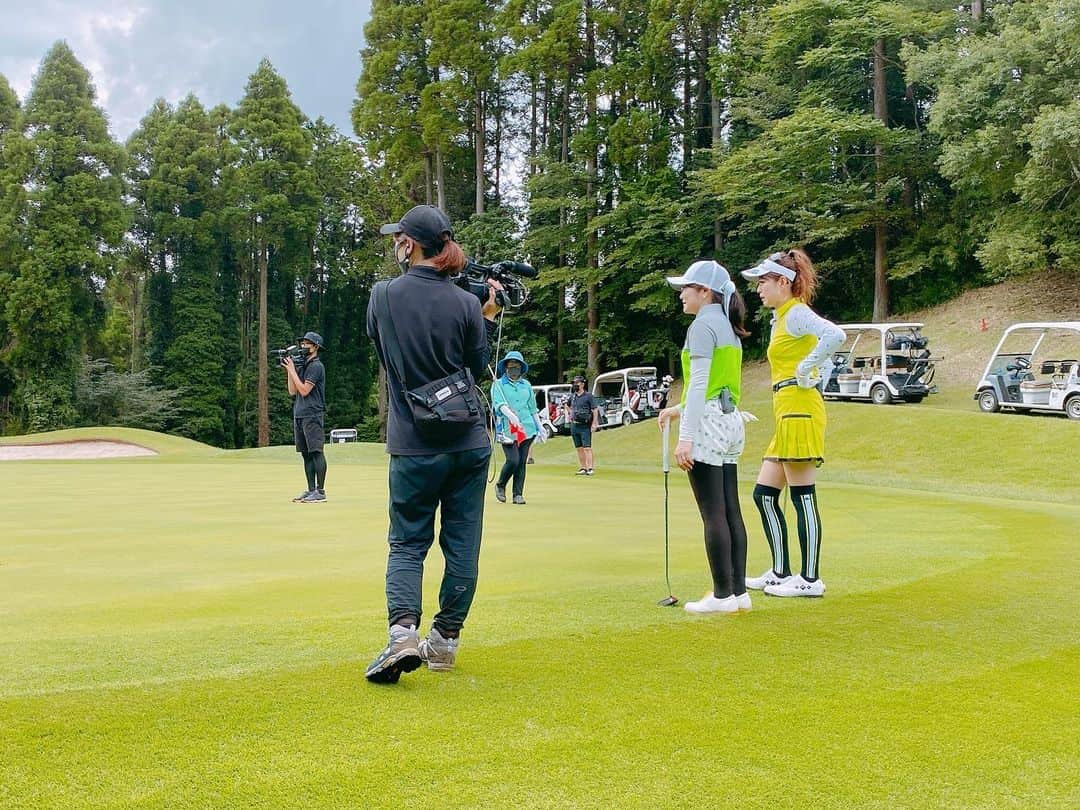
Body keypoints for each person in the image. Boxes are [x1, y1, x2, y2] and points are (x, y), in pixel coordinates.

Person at [364, 204, 501, 683]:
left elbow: (381, 348)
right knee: (462, 542)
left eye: (398, 237)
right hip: (468, 439)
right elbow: (476, 362)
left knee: (407, 542)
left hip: (414, 441)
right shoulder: (466, 302)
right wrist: (486, 313)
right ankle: (444, 643)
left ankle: (403, 635)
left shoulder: (383, 296)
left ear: (410, 244)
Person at [740, 249, 845, 597]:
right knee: (765, 495)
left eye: (764, 282)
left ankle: (810, 579)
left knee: (803, 496)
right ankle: (781, 571)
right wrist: (817, 369)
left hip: (800, 408)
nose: (759, 289)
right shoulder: (783, 317)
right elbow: (823, 348)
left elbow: (835, 336)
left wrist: (807, 369)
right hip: (786, 409)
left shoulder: (797, 313)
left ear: (783, 282)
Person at [657, 260, 754, 614]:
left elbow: (699, 386)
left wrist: (685, 438)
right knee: (730, 509)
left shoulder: (701, 327)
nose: (681, 295)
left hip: (709, 425)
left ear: (705, 292)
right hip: (730, 423)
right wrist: (677, 409)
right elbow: (717, 388)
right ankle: (739, 592)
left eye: (686, 288)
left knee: (712, 511)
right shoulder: (728, 327)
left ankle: (722, 595)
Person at [491, 351, 547, 504]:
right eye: (510, 366)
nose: (513, 369)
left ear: (521, 368)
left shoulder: (526, 385)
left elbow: (532, 408)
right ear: (506, 368)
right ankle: (501, 485)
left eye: (516, 366)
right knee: (513, 460)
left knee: (522, 462)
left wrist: (540, 426)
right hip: (507, 429)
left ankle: (518, 494)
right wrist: (511, 415)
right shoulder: (498, 385)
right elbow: (499, 405)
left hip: (527, 428)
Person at [283, 331, 327, 503]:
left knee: (316, 452)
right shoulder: (303, 366)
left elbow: (304, 390)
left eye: (307, 343)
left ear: (315, 347)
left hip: (313, 413)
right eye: (302, 343)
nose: (303, 346)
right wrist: (290, 369)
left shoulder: (316, 366)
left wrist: (293, 370)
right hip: (300, 413)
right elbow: (292, 391)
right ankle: (311, 490)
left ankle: (321, 491)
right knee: (305, 454)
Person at [564, 375, 600, 475]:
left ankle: (590, 468)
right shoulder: (573, 396)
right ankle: (583, 467)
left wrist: (594, 423)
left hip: (585, 425)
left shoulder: (588, 396)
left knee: (587, 447)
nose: (575, 385)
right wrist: (571, 412)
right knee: (579, 448)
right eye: (574, 383)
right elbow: (566, 405)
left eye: (577, 383)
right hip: (575, 425)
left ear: (582, 384)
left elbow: (595, 409)